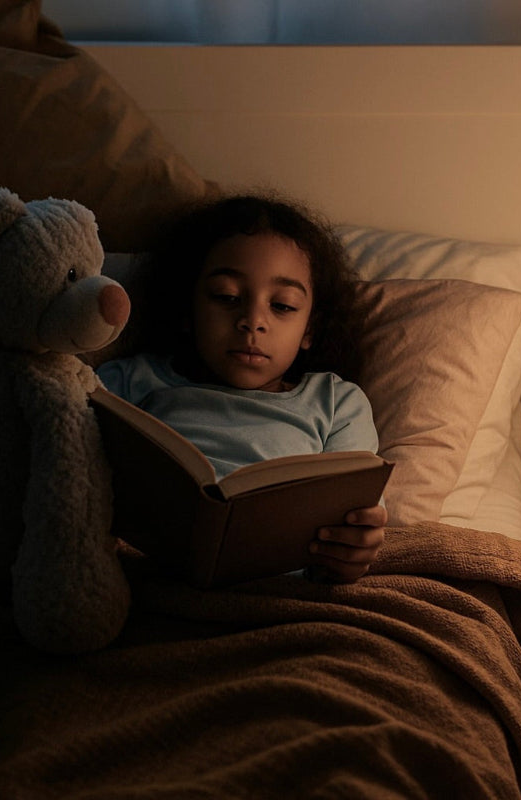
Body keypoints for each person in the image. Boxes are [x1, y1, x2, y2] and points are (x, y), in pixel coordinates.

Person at [97, 195, 385, 583]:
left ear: (310, 329)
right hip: (143, 581)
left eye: (282, 305)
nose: (252, 322)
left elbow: (357, 512)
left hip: (281, 591)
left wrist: (355, 547)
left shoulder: (337, 403)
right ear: (187, 309)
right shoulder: (128, 382)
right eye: (227, 297)